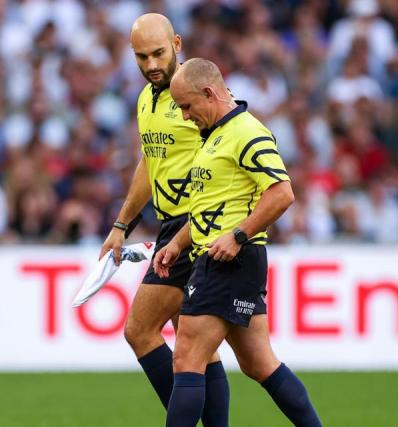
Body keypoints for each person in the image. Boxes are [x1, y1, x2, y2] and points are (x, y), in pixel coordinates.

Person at [155, 58, 322, 427]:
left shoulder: (248, 132)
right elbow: (211, 206)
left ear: (210, 93)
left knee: (186, 358)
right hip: (222, 257)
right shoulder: (214, 135)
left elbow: (281, 193)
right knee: (259, 363)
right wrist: (179, 243)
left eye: (186, 106)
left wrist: (238, 235)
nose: (184, 116)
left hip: (228, 261)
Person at [98, 14, 229, 425]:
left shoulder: (198, 98)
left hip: (196, 226)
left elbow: (232, 149)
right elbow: (150, 164)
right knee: (201, 349)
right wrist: (122, 225)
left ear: (176, 42)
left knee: (139, 330)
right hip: (170, 225)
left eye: (158, 53)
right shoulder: (146, 99)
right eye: (141, 56)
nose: (152, 64)